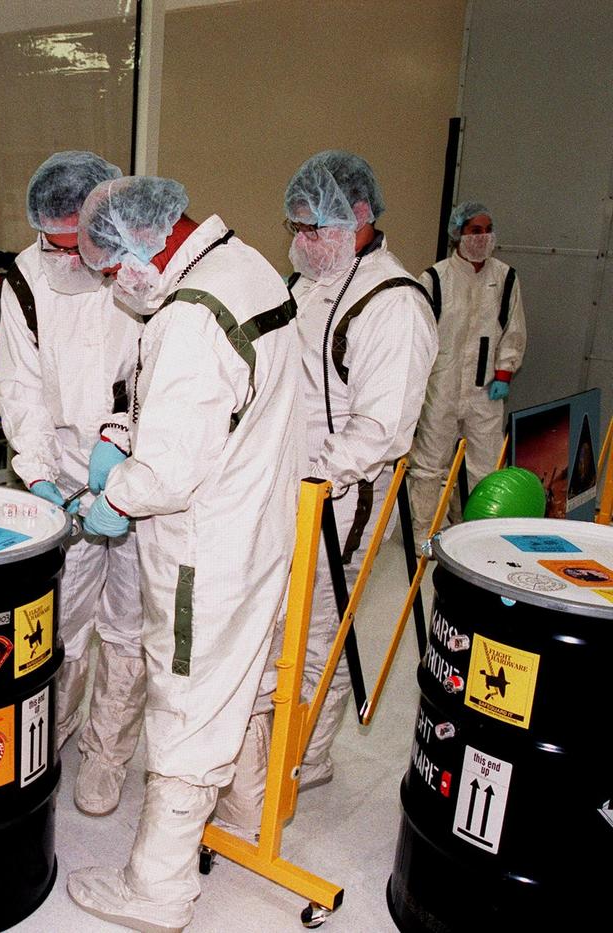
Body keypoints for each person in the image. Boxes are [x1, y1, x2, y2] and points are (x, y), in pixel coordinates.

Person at [64, 175, 301, 931]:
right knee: (242, 680)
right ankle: (244, 813)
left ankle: (159, 888)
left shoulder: (191, 316)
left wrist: (112, 497)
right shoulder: (245, 266)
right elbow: (217, 409)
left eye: (111, 267)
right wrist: (129, 435)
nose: (116, 284)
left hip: (205, 547)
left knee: (188, 703)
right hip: (257, 522)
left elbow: (168, 473)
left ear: (144, 241)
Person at [215, 151, 437, 839]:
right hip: (284, 485)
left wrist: (311, 485)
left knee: (316, 635)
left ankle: (303, 755)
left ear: (360, 220)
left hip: (339, 497)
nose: (302, 240)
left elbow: (381, 427)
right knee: (280, 624)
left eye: (316, 228)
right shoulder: (310, 282)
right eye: (296, 226)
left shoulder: (393, 303)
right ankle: (275, 745)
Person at [0, 151, 147, 817]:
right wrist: (35, 470)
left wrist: (123, 436)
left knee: (130, 621)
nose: (60, 257)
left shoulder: (141, 266)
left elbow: (165, 369)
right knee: (63, 621)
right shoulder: (26, 280)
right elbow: (19, 383)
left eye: (72, 245)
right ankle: (51, 730)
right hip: (62, 470)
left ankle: (109, 750)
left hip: (139, 471)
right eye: (48, 243)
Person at [409, 201, 526, 539]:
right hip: (441, 386)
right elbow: (420, 336)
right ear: (457, 233)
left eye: (488, 230)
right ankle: (425, 533)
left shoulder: (505, 278)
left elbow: (513, 329)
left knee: (484, 464)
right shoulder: (434, 278)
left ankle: (476, 531)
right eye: (476, 230)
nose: (483, 237)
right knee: (431, 462)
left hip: (486, 389)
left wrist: (504, 373)